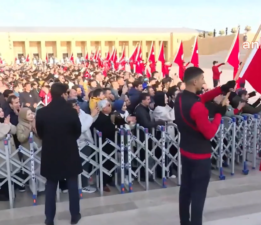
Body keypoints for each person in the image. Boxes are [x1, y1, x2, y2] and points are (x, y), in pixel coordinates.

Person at [174, 66, 235, 225]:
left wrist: (221, 89)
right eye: (202, 79)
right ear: (194, 81)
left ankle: (184, 222)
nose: (204, 82)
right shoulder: (197, 106)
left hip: (185, 151)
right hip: (200, 156)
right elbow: (209, 133)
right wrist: (218, 114)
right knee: (198, 196)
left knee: (185, 190)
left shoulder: (180, 98)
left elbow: (202, 97)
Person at [36, 83, 82, 225]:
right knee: (72, 184)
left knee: (51, 185)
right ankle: (74, 215)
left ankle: (49, 218)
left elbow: (40, 133)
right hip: (69, 151)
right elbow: (77, 131)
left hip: (50, 153)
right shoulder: (71, 112)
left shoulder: (42, 112)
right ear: (63, 94)